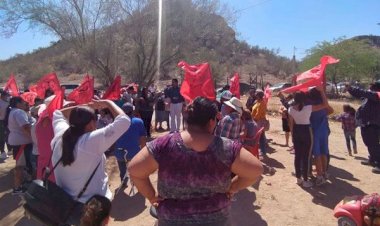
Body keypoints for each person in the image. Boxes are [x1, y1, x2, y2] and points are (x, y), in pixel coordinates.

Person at [128, 97, 262, 226]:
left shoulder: (164, 144)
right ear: (211, 122)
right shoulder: (227, 147)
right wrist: (232, 187)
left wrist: (151, 196)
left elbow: (135, 170)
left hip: (172, 220)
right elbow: (256, 170)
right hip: (217, 220)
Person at [51, 99, 130, 224]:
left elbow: (57, 113)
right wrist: (108, 103)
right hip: (91, 206)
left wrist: (82, 108)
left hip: (66, 203)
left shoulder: (60, 135)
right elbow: (124, 121)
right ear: (91, 124)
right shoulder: (91, 141)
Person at [287, 89, 328, 188]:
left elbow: (291, 124)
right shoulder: (308, 108)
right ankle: (305, 180)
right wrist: (322, 91)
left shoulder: (290, 109)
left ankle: (298, 178)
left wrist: (292, 135)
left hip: (297, 131)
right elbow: (325, 104)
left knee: (297, 156)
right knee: (306, 157)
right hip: (306, 131)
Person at [346, 81, 380, 174]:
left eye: (370, 86)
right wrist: (350, 90)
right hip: (366, 123)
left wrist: (351, 87)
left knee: (374, 144)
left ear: (375, 88)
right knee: (368, 143)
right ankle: (372, 159)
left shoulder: (377, 95)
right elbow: (359, 94)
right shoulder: (369, 96)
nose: (369, 88)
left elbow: (364, 93)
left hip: (372, 124)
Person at [114, 102, 147, 188]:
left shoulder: (116, 121)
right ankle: (137, 182)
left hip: (119, 151)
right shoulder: (138, 121)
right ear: (132, 111)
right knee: (137, 168)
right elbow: (143, 138)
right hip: (134, 152)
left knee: (122, 167)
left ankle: (123, 181)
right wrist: (143, 152)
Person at [307, 87, 333, 185]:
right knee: (324, 152)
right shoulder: (323, 105)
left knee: (317, 154)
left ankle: (319, 176)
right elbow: (331, 111)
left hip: (315, 132)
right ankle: (324, 173)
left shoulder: (310, 106)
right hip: (324, 131)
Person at [7, 96, 33, 194]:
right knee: (20, 166)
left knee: (22, 165)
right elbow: (26, 127)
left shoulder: (13, 112)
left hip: (19, 141)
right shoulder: (19, 112)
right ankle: (17, 187)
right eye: (23, 102)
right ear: (18, 103)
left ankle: (21, 185)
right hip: (22, 142)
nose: (25, 104)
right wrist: (33, 137)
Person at [251, 90, 268, 157]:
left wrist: (252, 119)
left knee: (260, 137)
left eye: (256, 94)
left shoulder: (261, 103)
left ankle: (262, 151)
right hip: (257, 121)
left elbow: (258, 115)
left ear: (258, 95)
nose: (255, 95)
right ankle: (262, 150)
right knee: (261, 137)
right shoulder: (258, 102)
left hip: (259, 121)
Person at [0, 90, 10, 159]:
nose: (8, 97)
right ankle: (2, 152)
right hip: (2, 121)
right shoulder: (3, 103)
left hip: (5, 122)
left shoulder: (6, 103)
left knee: (6, 136)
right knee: (2, 137)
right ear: (3, 96)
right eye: (7, 95)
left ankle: (8, 150)